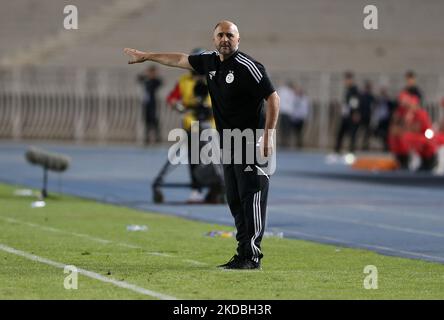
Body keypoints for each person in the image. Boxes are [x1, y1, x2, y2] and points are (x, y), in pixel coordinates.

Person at [124, 20, 280, 270]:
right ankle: (242, 254)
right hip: (228, 142)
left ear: (238, 39)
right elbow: (179, 60)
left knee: (252, 198)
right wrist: (147, 57)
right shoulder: (209, 61)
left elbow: (273, 98)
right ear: (214, 39)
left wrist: (269, 136)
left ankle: (252, 256)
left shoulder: (247, 66)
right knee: (234, 199)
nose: (225, 39)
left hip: (250, 141)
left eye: (230, 35)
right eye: (221, 35)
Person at [166, 48, 214, 202]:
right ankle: (196, 189)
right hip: (192, 123)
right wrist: (178, 105)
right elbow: (172, 98)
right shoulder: (184, 81)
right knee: (194, 158)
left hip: (213, 124)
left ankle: (216, 189)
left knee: (215, 160)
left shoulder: (214, 77)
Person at [334, 71, 361, 155]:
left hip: (351, 115)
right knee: (340, 133)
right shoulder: (347, 90)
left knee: (352, 134)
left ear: (351, 80)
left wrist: (355, 113)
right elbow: (347, 103)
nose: (346, 81)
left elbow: (354, 102)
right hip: (346, 114)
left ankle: (351, 151)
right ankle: (337, 150)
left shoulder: (354, 90)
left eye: (348, 79)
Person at [137, 65, 163, 145]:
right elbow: (139, 78)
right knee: (146, 120)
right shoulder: (146, 80)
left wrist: (153, 76)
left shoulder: (155, 81)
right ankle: (147, 137)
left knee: (154, 119)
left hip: (152, 103)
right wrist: (146, 74)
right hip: (146, 103)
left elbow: (160, 82)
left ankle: (157, 136)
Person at [276, 81, 297, 148]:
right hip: (287, 112)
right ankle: (284, 142)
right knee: (286, 129)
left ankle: (283, 142)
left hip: (283, 112)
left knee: (284, 129)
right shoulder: (289, 92)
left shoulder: (283, 90)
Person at [359, 80, 375, 151]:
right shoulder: (362, 96)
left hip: (368, 117)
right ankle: (360, 144)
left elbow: (375, 104)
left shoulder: (371, 96)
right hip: (362, 116)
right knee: (359, 131)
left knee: (367, 132)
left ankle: (365, 145)